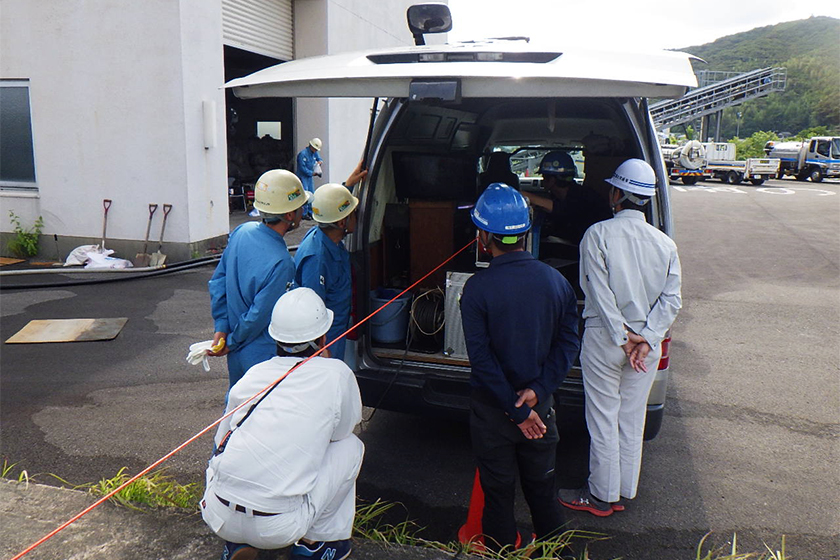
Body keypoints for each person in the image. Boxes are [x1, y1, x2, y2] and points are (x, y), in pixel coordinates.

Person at [459, 183, 580, 551]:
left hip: (494, 415)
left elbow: (482, 361)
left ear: (484, 237)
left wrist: (515, 410)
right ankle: (559, 555)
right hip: (540, 413)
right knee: (543, 494)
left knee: (498, 498)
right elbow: (568, 344)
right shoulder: (557, 283)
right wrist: (538, 392)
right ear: (526, 232)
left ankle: (500, 553)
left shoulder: (477, 289)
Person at [200, 287, 364, 560]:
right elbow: (342, 432)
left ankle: (236, 543)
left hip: (218, 513)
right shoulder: (336, 374)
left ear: (273, 335)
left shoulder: (255, 374)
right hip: (277, 526)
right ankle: (315, 545)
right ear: (323, 336)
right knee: (351, 446)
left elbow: (221, 441)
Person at [558, 158, 681, 517]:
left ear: (616, 194)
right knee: (631, 418)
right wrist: (646, 338)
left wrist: (621, 336)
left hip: (606, 340)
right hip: (646, 347)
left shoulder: (597, 234)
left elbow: (597, 292)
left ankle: (600, 495)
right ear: (645, 199)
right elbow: (672, 300)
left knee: (602, 417)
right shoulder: (665, 244)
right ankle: (624, 490)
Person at [208, 169, 310, 389]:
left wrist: (222, 327)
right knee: (259, 411)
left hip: (235, 351)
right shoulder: (282, 262)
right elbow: (258, 315)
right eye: (300, 206)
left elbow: (218, 283)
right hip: (259, 351)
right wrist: (233, 342)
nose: (304, 210)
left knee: (236, 408)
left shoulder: (242, 232)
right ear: (290, 215)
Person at [294, 164, 367, 361]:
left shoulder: (327, 237)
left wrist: (347, 186)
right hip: (327, 341)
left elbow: (331, 208)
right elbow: (312, 312)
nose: (357, 218)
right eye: (354, 213)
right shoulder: (316, 259)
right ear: (342, 223)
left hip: (337, 331)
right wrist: (319, 351)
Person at [522, 151, 611, 245]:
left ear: (551, 180)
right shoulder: (559, 195)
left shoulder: (582, 196)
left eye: (544, 177)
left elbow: (560, 208)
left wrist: (524, 195)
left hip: (585, 244)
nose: (543, 181)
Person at [296, 138, 324, 220]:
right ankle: (304, 213)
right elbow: (302, 168)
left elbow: (319, 159)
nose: (315, 151)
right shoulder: (302, 154)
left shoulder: (314, 153)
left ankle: (310, 212)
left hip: (310, 177)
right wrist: (312, 173)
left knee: (311, 193)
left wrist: (319, 163)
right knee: (305, 194)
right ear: (311, 146)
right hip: (303, 176)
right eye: (315, 149)